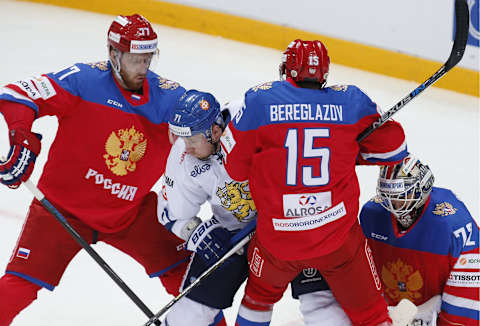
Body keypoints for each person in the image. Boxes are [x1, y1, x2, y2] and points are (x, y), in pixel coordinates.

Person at [0, 14, 190, 325]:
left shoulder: (170, 98)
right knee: (19, 286)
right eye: (134, 59)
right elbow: (16, 94)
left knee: (192, 283)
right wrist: (20, 138)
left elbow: (215, 135)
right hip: (60, 212)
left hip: (129, 213)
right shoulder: (82, 80)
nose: (143, 67)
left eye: (148, 58)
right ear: (114, 54)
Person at [219, 39, 409, 326]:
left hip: (278, 242)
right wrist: (345, 151)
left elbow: (234, 169)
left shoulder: (259, 100)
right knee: (371, 314)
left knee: (259, 297)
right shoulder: (351, 101)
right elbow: (394, 148)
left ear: (288, 69)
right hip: (338, 242)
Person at [158, 90, 351, 326]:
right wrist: (198, 234)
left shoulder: (252, 117)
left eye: (192, 140)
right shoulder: (183, 156)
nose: (186, 148)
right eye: (182, 139)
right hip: (233, 235)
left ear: (215, 131)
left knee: (321, 306)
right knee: (186, 318)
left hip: (293, 223)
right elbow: (172, 214)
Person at [360, 154, 480, 326]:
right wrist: (375, 316)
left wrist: (451, 322)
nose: (394, 203)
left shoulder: (452, 223)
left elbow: (470, 278)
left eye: (402, 196)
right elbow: (360, 271)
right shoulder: (372, 215)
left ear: (421, 189)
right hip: (389, 313)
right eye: (388, 195)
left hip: (436, 313)